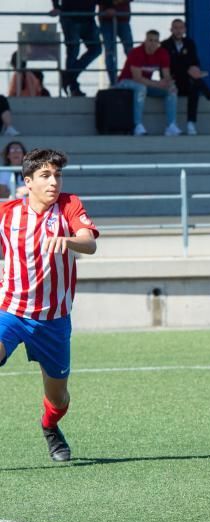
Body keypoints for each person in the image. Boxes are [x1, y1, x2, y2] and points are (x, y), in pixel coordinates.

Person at [0, 148, 100, 462]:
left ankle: (50, 426)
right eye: (45, 175)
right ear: (27, 182)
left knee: (59, 398)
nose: (53, 181)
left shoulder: (69, 205)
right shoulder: (7, 213)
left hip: (54, 320)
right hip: (11, 313)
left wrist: (68, 240)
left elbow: (90, 242)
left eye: (57, 174)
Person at [161, 19, 210, 136]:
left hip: (187, 81)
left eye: (181, 28)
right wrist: (188, 69)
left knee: (195, 85)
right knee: (194, 80)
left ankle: (191, 123)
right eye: (176, 28)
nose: (178, 31)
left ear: (185, 29)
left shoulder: (190, 43)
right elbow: (170, 66)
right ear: (171, 30)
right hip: (172, 82)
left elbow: (195, 61)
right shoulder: (165, 45)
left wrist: (195, 69)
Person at [117, 30, 181, 137]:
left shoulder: (162, 53)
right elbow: (137, 78)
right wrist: (158, 84)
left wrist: (169, 83)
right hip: (126, 82)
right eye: (150, 40)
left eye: (156, 41)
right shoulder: (136, 52)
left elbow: (166, 75)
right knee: (141, 88)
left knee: (171, 90)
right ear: (145, 41)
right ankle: (137, 125)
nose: (153, 44)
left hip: (145, 84)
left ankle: (171, 125)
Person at [49, 0, 102, 97]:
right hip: (70, 16)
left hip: (88, 17)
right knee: (73, 50)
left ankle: (69, 77)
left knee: (95, 49)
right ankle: (72, 85)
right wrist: (56, 6)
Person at [98, 0, 134, 85]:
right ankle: (114, 82)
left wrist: (113, 2)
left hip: (122, 18)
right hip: (107, 20)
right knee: (110, 52)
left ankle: (131, 79)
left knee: (130, 51)